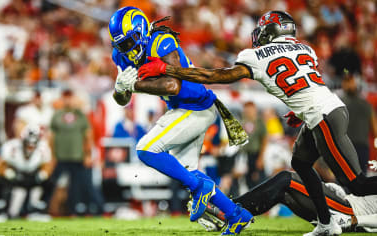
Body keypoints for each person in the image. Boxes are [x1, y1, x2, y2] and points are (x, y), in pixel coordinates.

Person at [138, 10, 377, 236]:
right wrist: (299, 109)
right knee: (300, 163)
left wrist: (168, 68)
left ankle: (328, 222)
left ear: (269, 31)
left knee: (357, 184)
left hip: (323, 116)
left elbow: (213, 77)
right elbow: (307, 82)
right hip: (329, 108)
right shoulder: (306, 49)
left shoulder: (255, 56)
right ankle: (327, 223)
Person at [108, 6, 252, 235]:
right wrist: (119, 88)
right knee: (186, 172)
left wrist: (132, 85)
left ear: (141, 31)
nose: (127, 49)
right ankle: (236, 215)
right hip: (183, 109)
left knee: (146, 149)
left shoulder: (161, 41)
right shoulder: (121, 55)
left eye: (129, 42)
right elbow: (122, 99)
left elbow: (172, 86)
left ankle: (201, 188)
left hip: (195, 107)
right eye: (122, 44)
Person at [197, 169, 377, 233]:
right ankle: (229, 214)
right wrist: (343, 193)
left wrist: (355, 221)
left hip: (348, 213)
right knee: (283, 193)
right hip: (346, 204)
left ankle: (226, 208)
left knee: (287, 178)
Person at [50, 89, 103, 215]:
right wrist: (52, 156)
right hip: (61, 156)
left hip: (78, 156)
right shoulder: (57, 115)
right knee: (51, 183)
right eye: (65, 97)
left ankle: (99, 209)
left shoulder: (80, 115)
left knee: (82, 185)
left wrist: (88, 155)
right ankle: (47, 208)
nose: (67, 100)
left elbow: (88, 135)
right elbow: (51, 137)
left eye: (69, 97)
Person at [0, 125, 55, 221]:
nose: (30, 147)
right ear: (22, 140)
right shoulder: (11, 147)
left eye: (34, 143)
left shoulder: (44, 148)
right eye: (28, 143)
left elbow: (48, 166)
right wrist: (8, 173)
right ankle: (1, 210)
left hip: (33, 175)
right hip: (16, 175)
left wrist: (42, 175)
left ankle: (38, 210)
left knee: (49, 182)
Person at [339, 73, 377, 173]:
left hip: (357, 147)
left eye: (350, 81)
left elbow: (374, 128)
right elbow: (375, 129)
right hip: (347, 147)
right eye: (346, 82)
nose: (349, 84)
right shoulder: (339, 103)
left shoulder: (339, 104)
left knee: (347, 180)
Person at [241, 101, 267, 189]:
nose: (248, 112)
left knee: (258, 180)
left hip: (256, 154)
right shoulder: (242, 122)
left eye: (250, 109)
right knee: (247, 180)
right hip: (244, 154)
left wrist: (261, 157)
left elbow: (264, 140)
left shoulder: (259, 122)